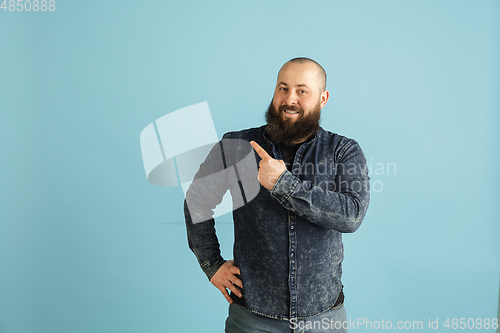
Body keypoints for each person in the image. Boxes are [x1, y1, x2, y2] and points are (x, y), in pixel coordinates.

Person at [184, 57, 370, 332]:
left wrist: (284, 184)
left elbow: (351, 215)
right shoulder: (236, 145)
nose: (289, 99)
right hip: (252, 319)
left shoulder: (343, 150)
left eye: (302, 90)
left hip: (324, 319)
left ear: (323, 98)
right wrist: (212, 264)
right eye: (283, 88)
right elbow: (196, 201)